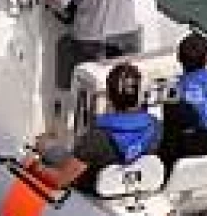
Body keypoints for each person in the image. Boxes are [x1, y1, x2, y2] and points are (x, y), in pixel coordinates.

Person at [36, 62, 162, 193]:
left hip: (92, 185)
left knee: (44, 144)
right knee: (50, 147)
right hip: (131, 183)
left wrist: (33, 166)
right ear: (138, 96)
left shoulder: (98, 138)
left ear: (109, 96)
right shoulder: (156, 127)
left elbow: (60, 180)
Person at [159, 33, 207, 168]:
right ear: (206, 59)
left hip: (188, 158)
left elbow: (169, 138)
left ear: (179, 58)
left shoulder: (174, 94)